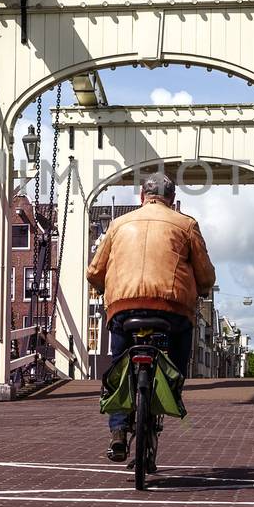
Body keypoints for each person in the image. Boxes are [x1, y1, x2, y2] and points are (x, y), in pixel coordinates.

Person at [86, 172, 215, 462]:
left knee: (119, 367)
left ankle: (118, 431)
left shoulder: (118, 225)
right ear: (171, 200)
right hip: (172, 310)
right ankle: (173, 388)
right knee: (181, 346)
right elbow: (204, 273)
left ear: (142, 197)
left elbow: (94, 271)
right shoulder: (186, 224)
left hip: (123, 309)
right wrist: (203, 288)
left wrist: (105, 289)